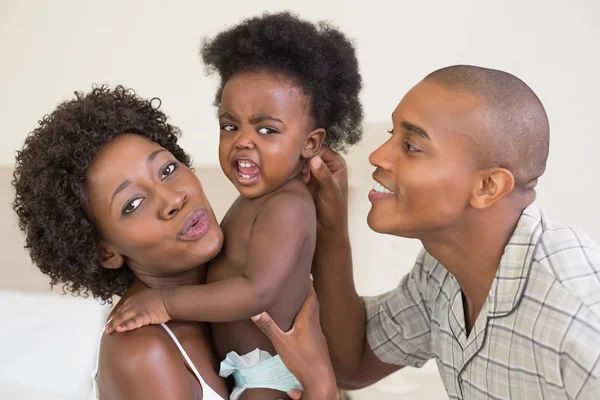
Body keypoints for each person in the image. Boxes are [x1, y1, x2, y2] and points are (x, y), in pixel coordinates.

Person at [289, 65, 600, 399]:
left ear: (487, 186)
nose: (378, 157)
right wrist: (330, 227)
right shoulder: (441, 271)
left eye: (411, 146)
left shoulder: (579, 318)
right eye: (391, 135)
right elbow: (352, 363)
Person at [11, 85, 339, 400]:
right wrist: (321, 388)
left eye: (167, 169)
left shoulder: (243, 275)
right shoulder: (143, 351)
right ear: (105, 251)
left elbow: (358, 361)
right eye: (133, 204)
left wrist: (332, 231)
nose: (172, 199)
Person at [104, 12, 362, 400]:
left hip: (270, 372)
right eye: (230, 126)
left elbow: (255, 291)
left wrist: (165, 302)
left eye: (266, 129)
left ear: (310, 145)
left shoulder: (288, 206)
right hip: (249, 368)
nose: (242, 141)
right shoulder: (256, 200)